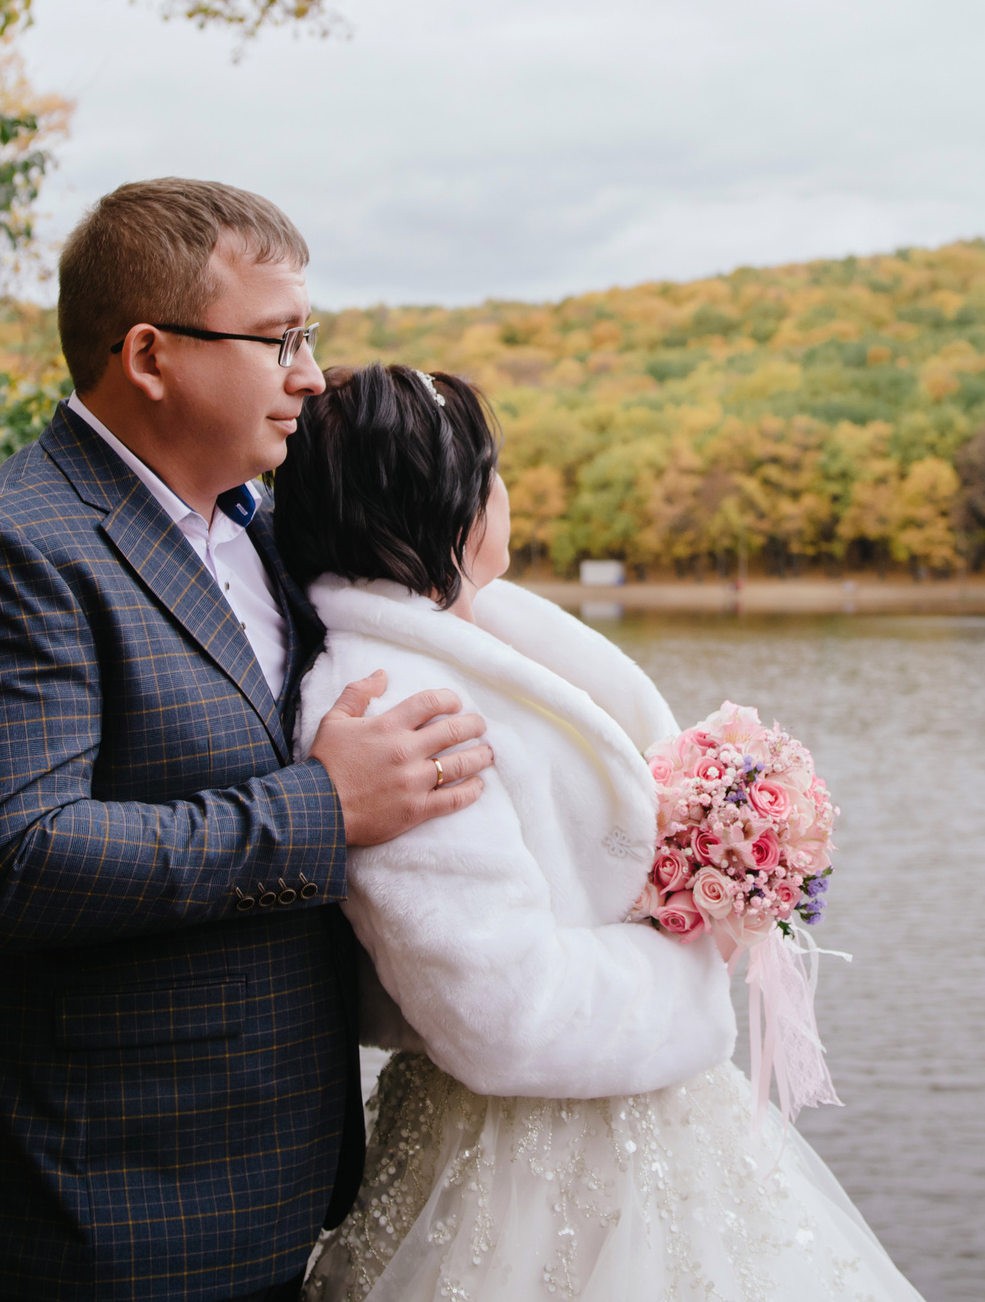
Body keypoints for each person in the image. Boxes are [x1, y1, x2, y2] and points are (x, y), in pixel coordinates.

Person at [0, 181, 497, 1302]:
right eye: (280, 340)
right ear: (149, 354)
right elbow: (15, 860)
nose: (311, 375)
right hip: (113, 1207)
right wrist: (324, 806)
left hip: (286, 1179)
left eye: (307, 339)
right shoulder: (6, 551)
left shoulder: (264, 528)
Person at [274, 365, 923, 1301]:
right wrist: (685, 963)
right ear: (439, 502)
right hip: (530, 1157)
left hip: (619, 1111)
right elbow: (499, 1004)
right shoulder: (399, 704)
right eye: (489, 470)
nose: (507, 492)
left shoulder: (466, 637)